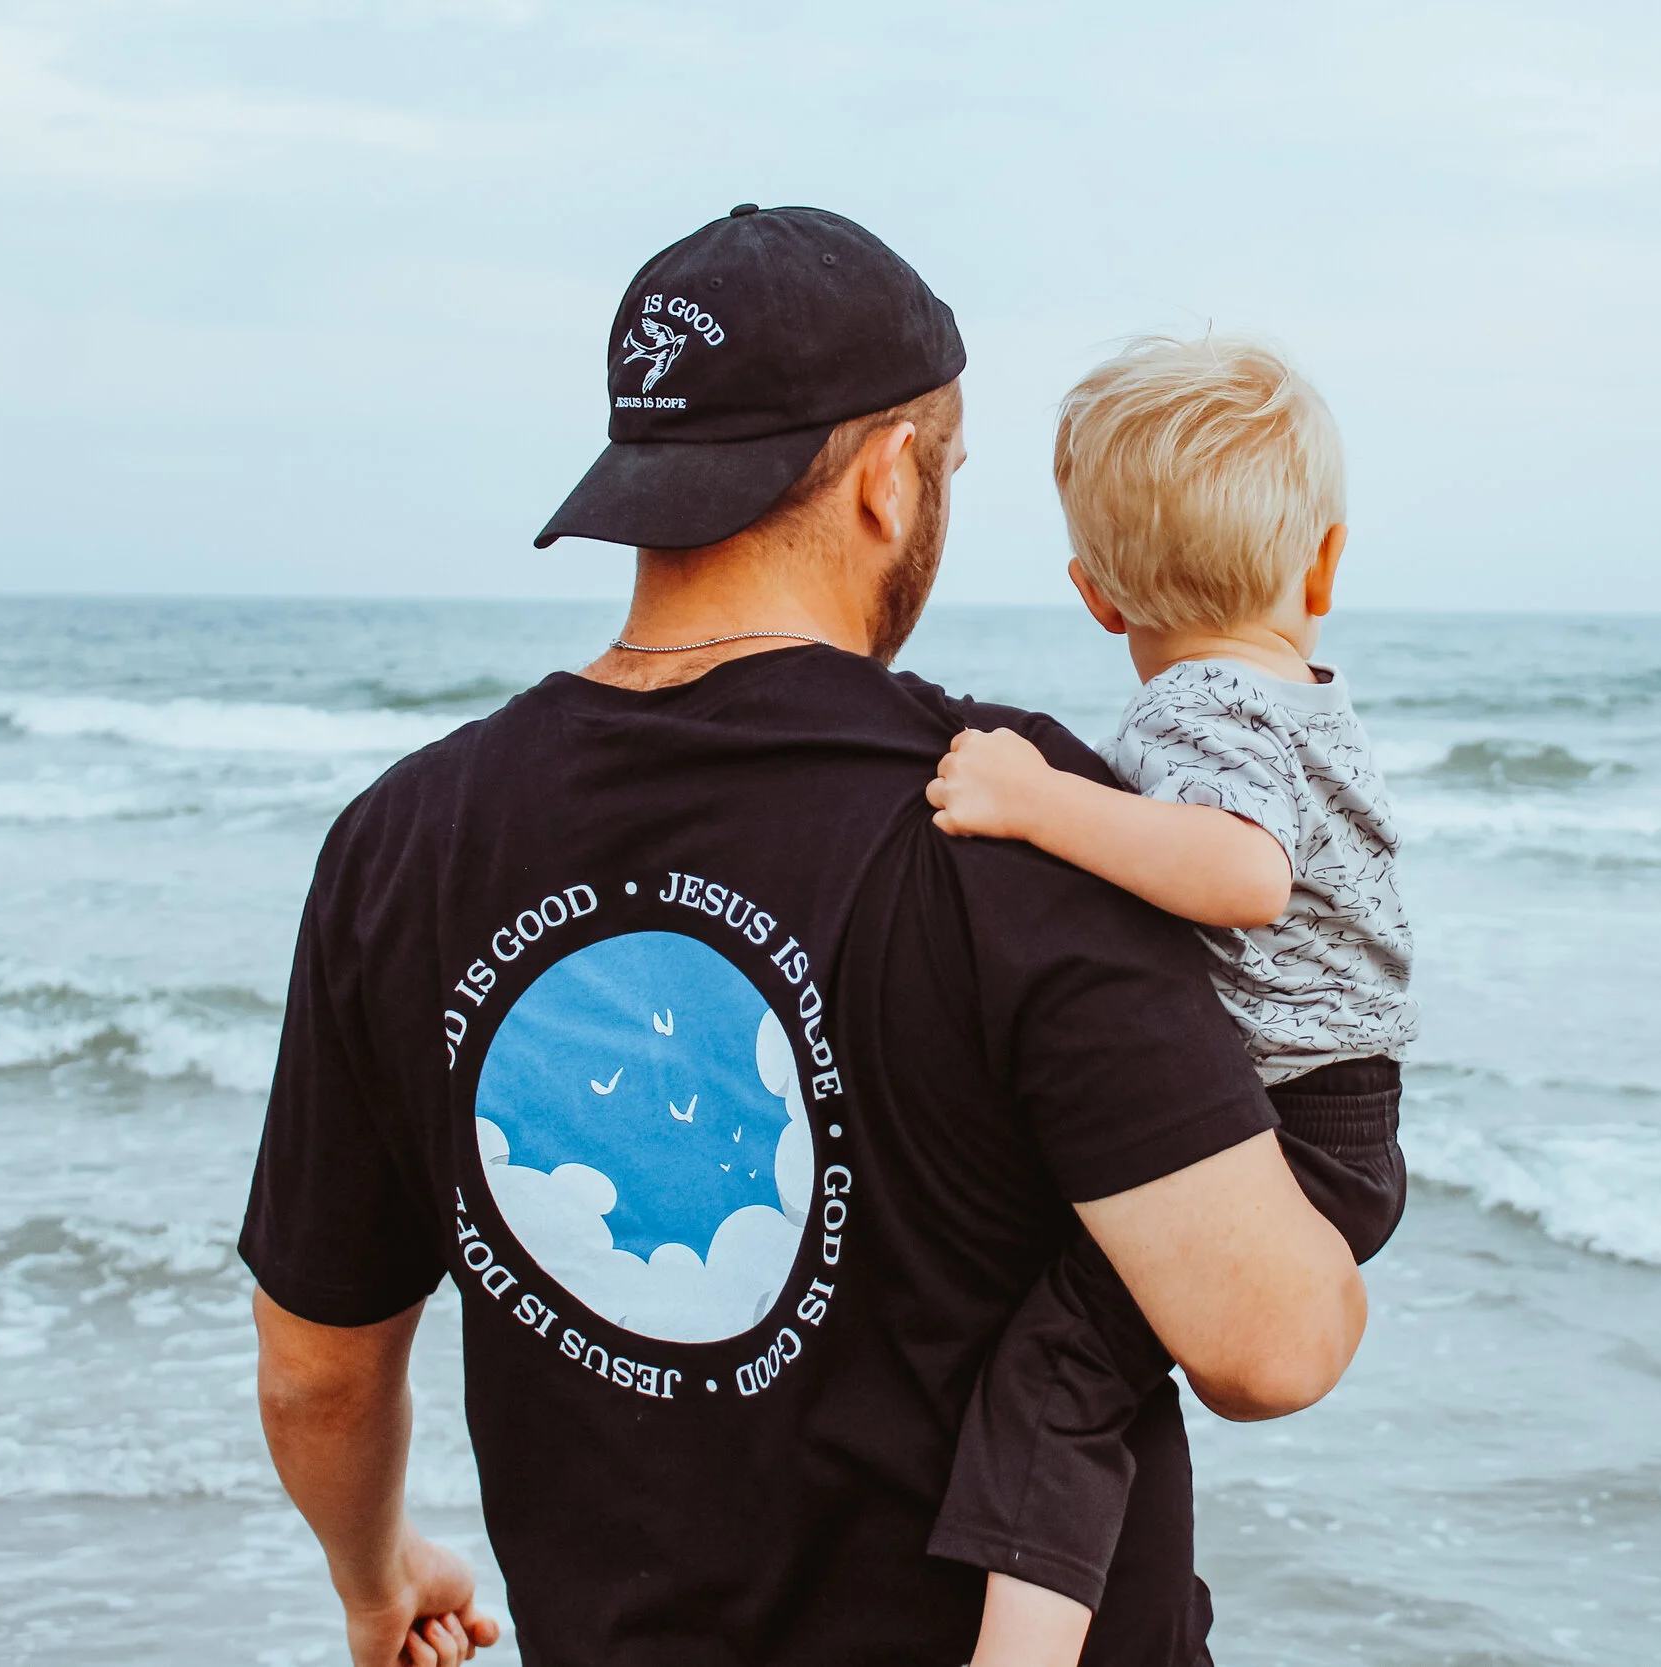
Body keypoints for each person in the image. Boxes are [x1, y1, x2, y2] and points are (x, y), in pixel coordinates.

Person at [239, 206, 1367, 1667]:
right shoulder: (1006, 813)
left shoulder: (400, 841)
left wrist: (377, 1576)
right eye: (949, 465)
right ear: (891, 480)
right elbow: (1270, 1342)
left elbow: (316, 1374)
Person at [921, 336, 1415, 1666]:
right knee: (1099, 1353)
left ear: (1093, 597)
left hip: (1291, 1125)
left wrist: (1039, 799)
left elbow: (1241, 872)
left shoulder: (1206, 707)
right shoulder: (1296, 695)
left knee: (1057, 1376)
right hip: (1338, 1121)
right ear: (1324, 565)